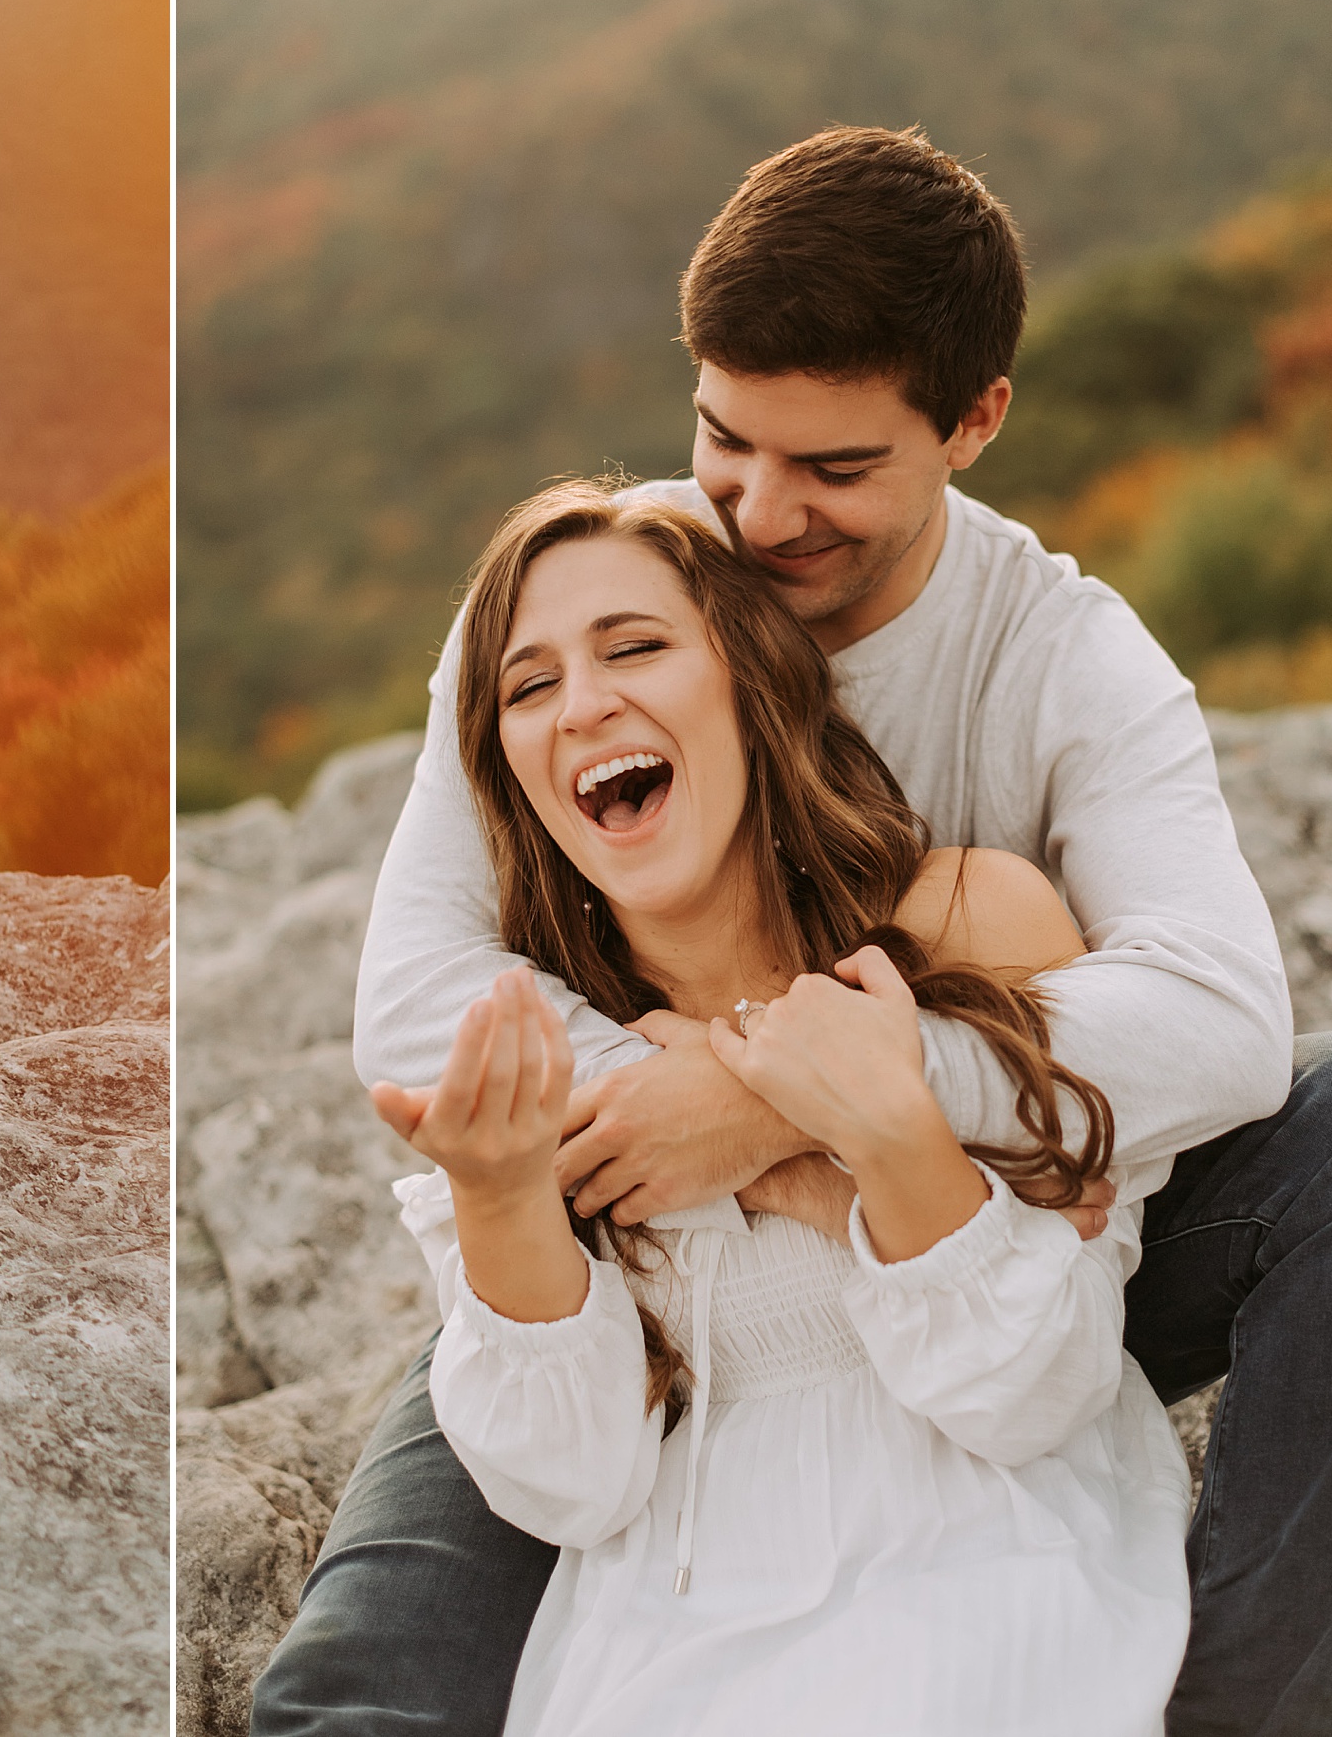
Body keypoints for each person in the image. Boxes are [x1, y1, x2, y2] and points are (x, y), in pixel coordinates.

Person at [252, 128, 1332, 1737]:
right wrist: (674, 1154)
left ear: (975, 421)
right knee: (381, 1659)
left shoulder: (1063, 658)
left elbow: (1218, 1018)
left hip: (992, 1217)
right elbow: (423, 998)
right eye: (724, 441)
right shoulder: (596, 595)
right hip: (639, 1244)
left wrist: (783, 1098)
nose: (762, 516)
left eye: (835, 468)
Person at [379, 482, 1188, 1734]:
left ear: (753, 681)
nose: (584, 702)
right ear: (514, 771)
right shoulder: (530, 1045)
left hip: (989, 1596)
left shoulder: (972, 923)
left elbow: (1038, 1388)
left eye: (635, 647)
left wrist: (867, 1132)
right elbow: (572, 1483)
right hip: (665, 1645)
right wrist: (496, 1202)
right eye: (529, 685)